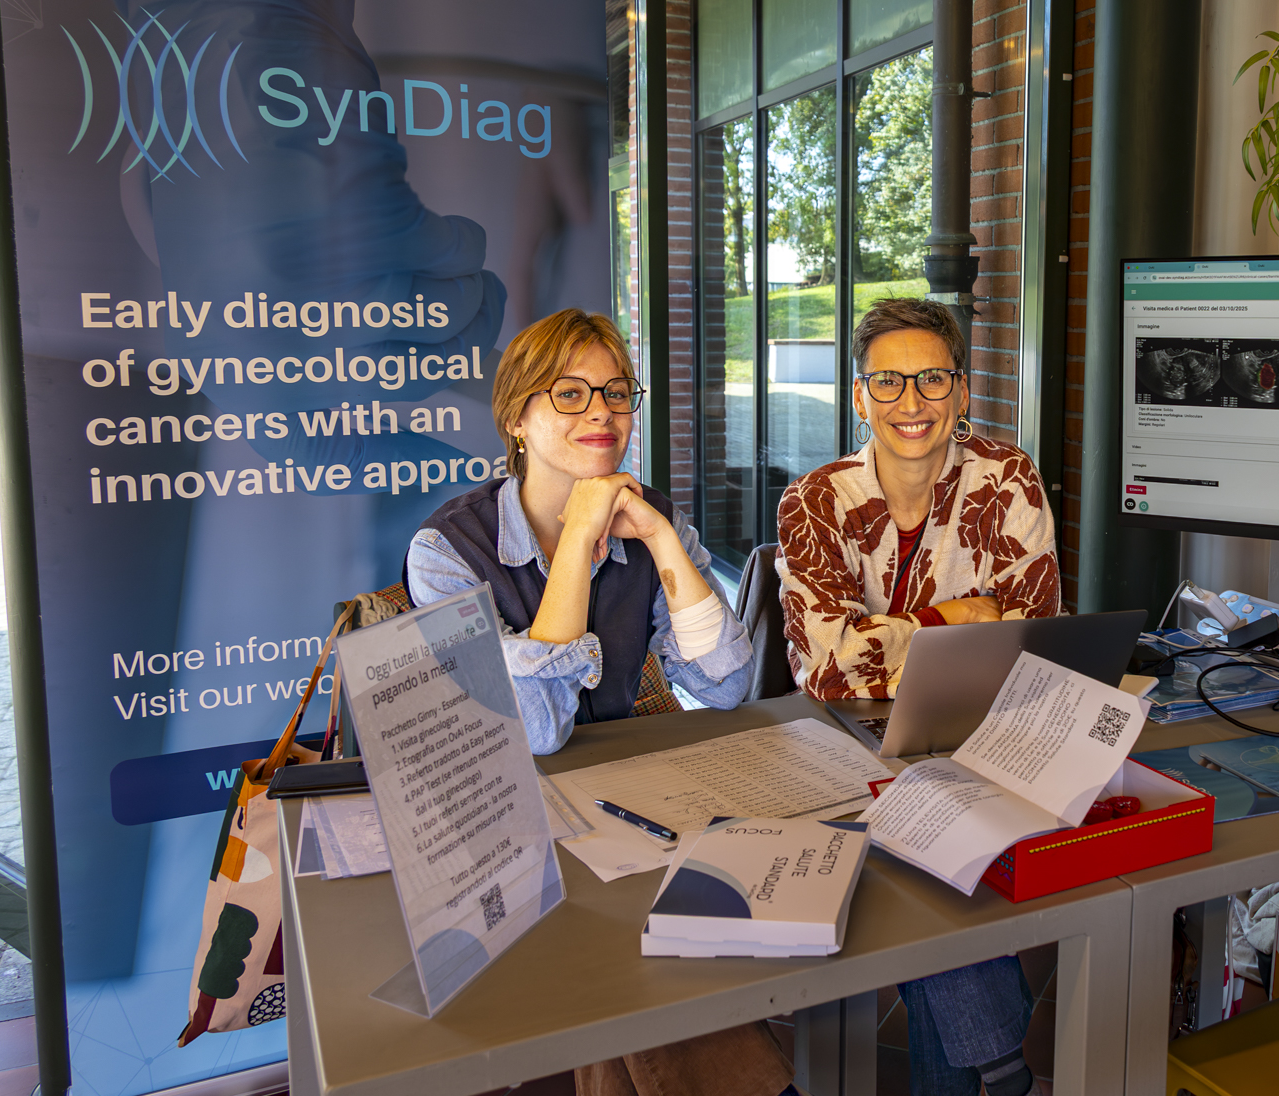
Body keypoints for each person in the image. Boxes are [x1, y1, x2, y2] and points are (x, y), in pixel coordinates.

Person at [405, 308, 793, 1096]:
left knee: (643, 961)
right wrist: (578, 543)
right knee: (651, 963)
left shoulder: (650, 516)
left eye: (617, 393)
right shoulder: (444, 551)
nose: (602, 413)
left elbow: (723, 685)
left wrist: (657, 536)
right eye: (570, 394)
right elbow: (534, 731)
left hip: (623, 808)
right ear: (516, 419)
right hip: (497, 823)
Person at [776, 297, 1060, 1096]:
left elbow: (1032, 633)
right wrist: (954, 619)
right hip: (843, 744)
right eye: (889, 382)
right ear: (859, 396)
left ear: (962, 392)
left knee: (933, 817)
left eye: (933, 379)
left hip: (979, 733)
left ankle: (985, 1064)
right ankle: (998, 1058)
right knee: (924, 837)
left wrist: (887, 637)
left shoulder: (1006, 478)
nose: (912, 401)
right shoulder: (815, 500)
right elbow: (827, 670)